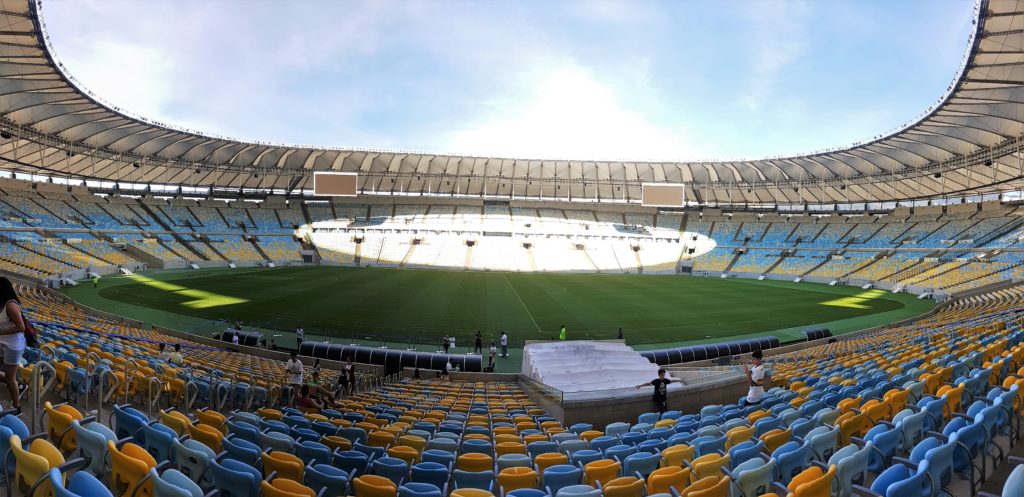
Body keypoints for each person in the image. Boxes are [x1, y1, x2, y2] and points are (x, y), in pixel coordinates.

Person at [0, 277, 25, 414]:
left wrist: (1, 332)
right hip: (2, 342)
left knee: (10, 380)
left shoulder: (10, 305)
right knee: (10, 379)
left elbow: (21, 327)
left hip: (13, 345)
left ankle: (17, 407)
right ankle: (19, 384)